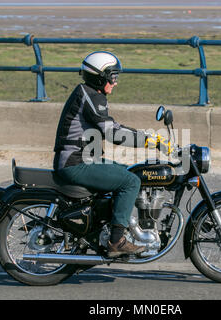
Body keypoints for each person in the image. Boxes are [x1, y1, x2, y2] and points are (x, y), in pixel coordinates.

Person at [53, 51, 170, 257]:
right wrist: (149, 141)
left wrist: (150, 138)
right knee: (131, 182)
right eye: (113, 77)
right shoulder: (91, 95)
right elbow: (112, 133)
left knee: (129, 170)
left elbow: (113, 126)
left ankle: (109, 227)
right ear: (100, 76)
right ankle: (116, 241)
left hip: (84, 159)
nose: (115, 82)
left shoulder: (90, 94)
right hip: (75, 163)